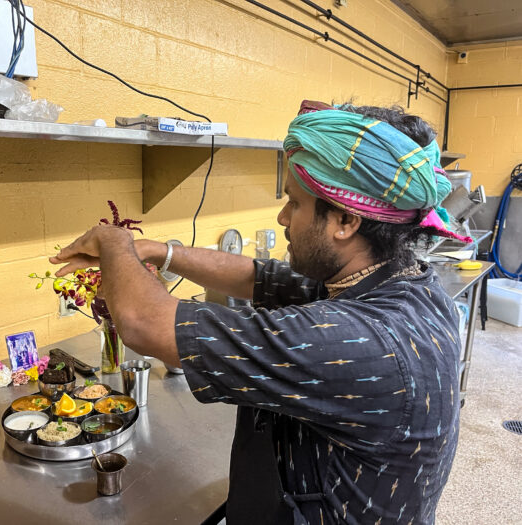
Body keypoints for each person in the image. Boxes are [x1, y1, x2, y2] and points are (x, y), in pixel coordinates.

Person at [51, 101, 464, 524]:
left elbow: (143, 322)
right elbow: (259, 276)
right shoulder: (399, 282)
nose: (283, 217)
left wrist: (114, 242)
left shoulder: (362, 340)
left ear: (345, 220)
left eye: (294, 203)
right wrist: (160, 251)